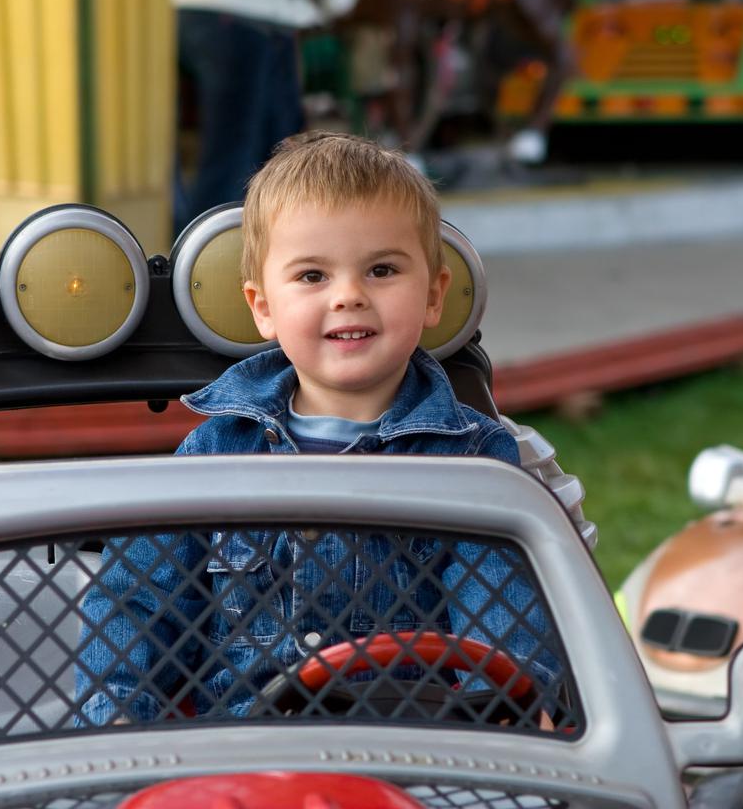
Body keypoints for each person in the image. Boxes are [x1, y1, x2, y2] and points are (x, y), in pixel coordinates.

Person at [77, 132, 558, 724]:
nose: (349, 296)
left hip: (421, 754)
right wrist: (120, 715)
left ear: (433, 296)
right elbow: (139, 605)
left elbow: (502, 622)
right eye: (312, 276)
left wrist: (514, 709)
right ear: (262, 307)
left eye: (381, 269)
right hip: (248, 761)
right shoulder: (215, 452)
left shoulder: (473, 460)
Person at [172, 0, 354, 234]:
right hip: (253, 7)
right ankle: (205, 272)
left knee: (217, 155)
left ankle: (194, 265)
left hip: (181, 1)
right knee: (260, 160)